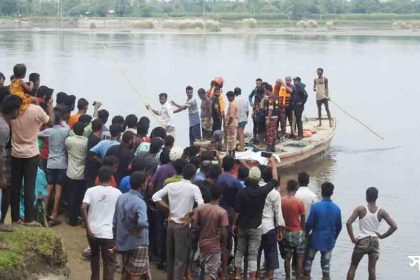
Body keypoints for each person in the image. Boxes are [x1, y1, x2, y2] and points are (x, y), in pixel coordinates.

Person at [152, 164, 204, 280]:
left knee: (171, 257)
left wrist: (168, 208)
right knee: (180, 259)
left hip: (171, 223)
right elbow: (201, 205)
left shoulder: (171, 185)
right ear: (193, 175)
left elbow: (155, 197)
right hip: (183, 225)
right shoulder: (193, 188)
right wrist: (191, 215)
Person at [10, 94, 53, 225]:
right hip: (31, 154)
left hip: (15, 153)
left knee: (15, 187)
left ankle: (15, 218)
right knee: (30, 187)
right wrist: (50, 106)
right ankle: (29, 219)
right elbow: (50, 121)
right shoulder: (35, 109)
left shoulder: (13, 110)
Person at [346, 187, 398, 280]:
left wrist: (353, 239)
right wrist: (382, 236)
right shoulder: (381, 212)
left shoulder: (361, 209)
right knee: (372, 270)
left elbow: (348, 223)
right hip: (374, 241)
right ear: (376, 197)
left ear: (366, 196)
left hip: (362, 241)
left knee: (353, 266)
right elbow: (394, 226)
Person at [233, 166, 274, 280]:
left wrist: (234, 224)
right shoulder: (262, 191)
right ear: (259, 178)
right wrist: (273, 164)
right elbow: (274, 181)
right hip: (256, 227)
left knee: (239, 250)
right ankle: (252, 277)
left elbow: (237, 211)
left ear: (249, 177)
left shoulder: (241, 192)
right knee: (253, 253)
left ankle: (237, 274)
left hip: (242, 225)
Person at [80, 166, 122, 280]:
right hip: (109, 233)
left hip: (92, 232)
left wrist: (88, 229)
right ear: (111, 178)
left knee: (94, 258)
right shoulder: (118, 193)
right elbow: (120, 214)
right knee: (109, 262)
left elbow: (83, 207)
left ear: (98, 177)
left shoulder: (91, 190)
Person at [113, 171, 151, 280]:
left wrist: (116, 239)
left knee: (127, 271)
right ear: (142, 185)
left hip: (123, 241)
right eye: (146, 182)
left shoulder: (121, 197)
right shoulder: (140, 203)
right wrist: (138, 228)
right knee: (136, 273)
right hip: (138, 242)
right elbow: (143, 222)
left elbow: (115, 221)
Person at [304, 182, 342, 280]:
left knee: (308, 261)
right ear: (332, 193)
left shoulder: (316, 207)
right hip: (329, 240)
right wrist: (334, 238)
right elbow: (339, 227)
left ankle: (307, 277)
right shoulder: (337, 209)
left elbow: (309, 224)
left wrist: (305, 235)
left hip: (315, 239)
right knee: (326, 265)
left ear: (321, 192)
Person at [38, 110, 70, 226]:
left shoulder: (49, 131)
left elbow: (37, 134)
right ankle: (54, 214)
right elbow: (68, 127)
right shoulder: (65, 130)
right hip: (62, 164)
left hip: (50, 163)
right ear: (61, 119)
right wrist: (63, 122)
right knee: (58, 190)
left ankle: (44, 212)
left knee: (49, 188)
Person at [193, 184, 229, 280]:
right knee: (210, 273)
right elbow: (224, 232)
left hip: (202, 244)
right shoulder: (222, 212)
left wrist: (202, 228)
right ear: (221, 196)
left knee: (203, 269)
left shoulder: (201, 208)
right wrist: (224, 244)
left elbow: (194, 225)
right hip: (214, 246)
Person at [258, 162, 284, 279]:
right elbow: (278, 214)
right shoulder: (274, 194)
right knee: (271, 252)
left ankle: (255, 274)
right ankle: (269, 276)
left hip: (256, 226)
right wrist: (280, 230)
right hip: (269, 227)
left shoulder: (256, 189)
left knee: (256, 253)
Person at [0, 96, 21, 233]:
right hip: (2, 160)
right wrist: (1, 176)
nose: (19, 112)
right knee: (5, 188)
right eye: (18, 109)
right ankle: (1, 222)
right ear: (13, 110)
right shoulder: (4, 128)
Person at [281, 179, 306, 280]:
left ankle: (287, 277)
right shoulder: (299, 202)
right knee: (299, 258)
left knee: (287, 258)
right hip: (297, 232)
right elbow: (303, 219)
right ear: (296, 189)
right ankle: (298, 278)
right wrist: (303, 232)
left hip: (286, 231)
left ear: (287, 188)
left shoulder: (281, 200)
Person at [65, 121, 88, 226]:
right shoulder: (86, 141)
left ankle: (72, 219)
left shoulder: (69, 140)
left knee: (71, 196)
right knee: (80, 196)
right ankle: (79, 216)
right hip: (82, 173)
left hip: (70, 172)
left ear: (73, 130)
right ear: (83, 131)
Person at [263, 83, 279, 152]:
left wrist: (268, 119)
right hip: (275, 116)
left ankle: (269, 147)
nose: (264, 92)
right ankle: (273, 147)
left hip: (271, 117)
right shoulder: (275, 96)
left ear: (267, 89)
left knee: (269, 132)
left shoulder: (270, 98)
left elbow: (270, 108)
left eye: (264, 90)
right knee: (274, 131)